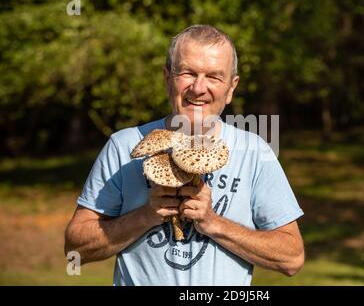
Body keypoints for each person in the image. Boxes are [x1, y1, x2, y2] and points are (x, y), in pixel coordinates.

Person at [64, 25, 305, 285]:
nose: (198, 88)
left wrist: (213, 223)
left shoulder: (255, 152)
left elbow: (291, 258)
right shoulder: (125, 146)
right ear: (167, 77)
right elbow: (75, 249)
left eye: (214, 77)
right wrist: (146, 215)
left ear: (231, 88)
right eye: (188, 73)